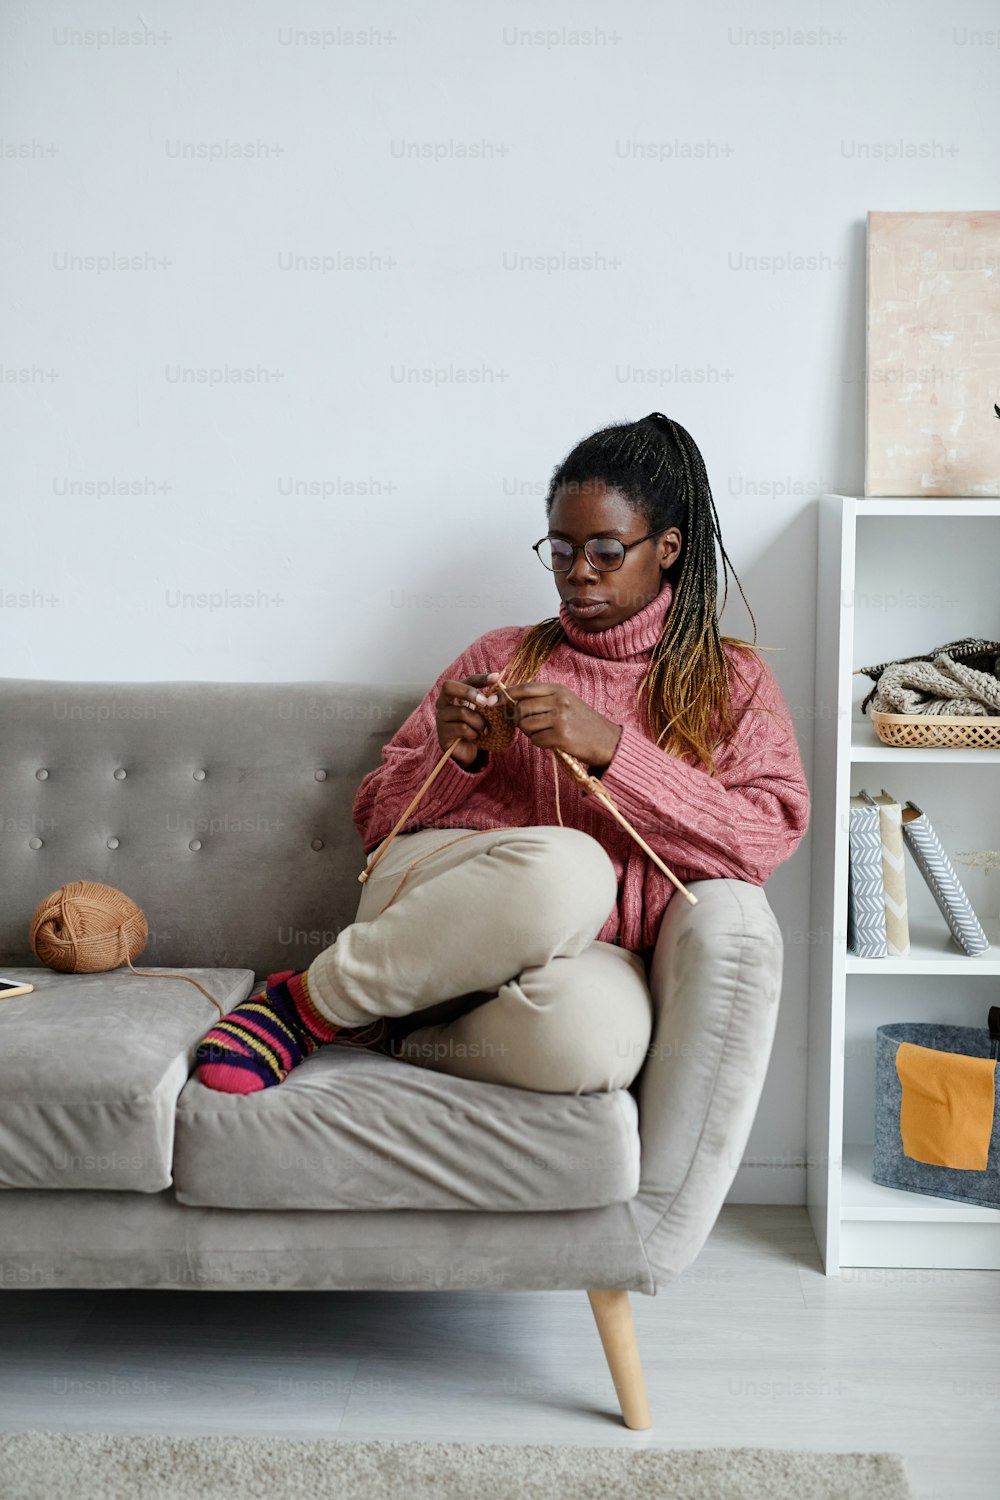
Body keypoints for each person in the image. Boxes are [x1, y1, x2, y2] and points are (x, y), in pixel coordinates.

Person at [194, 412, 810, 1097]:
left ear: (666, 547)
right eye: (562, 550)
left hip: (579, 956)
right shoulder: (502, 655)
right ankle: (310, 1004)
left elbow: (767, 833)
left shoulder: (730, 680)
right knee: (573, 869)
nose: (578, 574)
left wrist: (613, 750)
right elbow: (374, 817)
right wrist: (453, 753)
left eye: (606, 551)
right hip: (432, 910)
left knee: (594, 1047)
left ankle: (386, 1026)